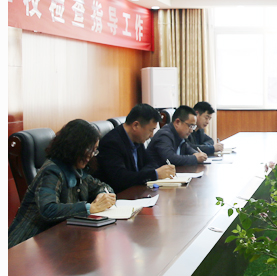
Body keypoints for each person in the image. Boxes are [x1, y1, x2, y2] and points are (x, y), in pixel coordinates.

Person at [8, 119, 116, 247]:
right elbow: (48, 210)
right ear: (74, 146)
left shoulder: (78, 170)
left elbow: (102, 186)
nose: (91, 155)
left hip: (55, 241)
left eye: (94, 150)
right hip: (26, 245)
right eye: (89, 149)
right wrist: (88, 208)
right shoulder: (52, 171)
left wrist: (103, 195)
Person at [97, 103, 177, 193]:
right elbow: (120, 179)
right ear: (136, 125)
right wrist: (154, 174)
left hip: (137, 192)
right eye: (151, 130)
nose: (152, 135)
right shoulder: (111, 143)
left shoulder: (137, 139)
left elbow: (151, 162)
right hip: (120, 197)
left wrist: (146, 174)